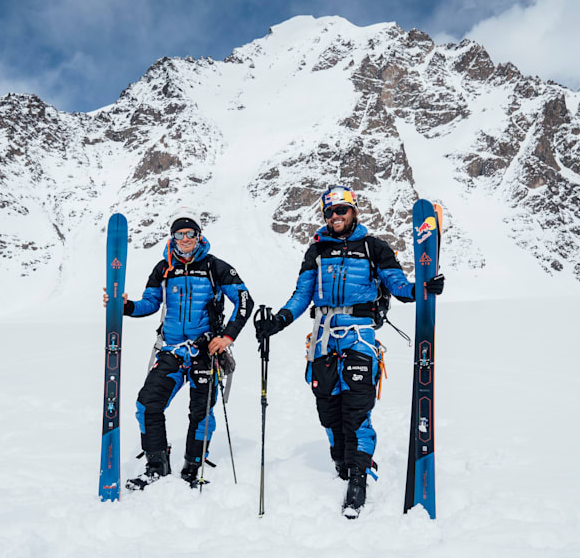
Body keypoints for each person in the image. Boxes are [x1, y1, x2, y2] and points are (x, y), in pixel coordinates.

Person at [254, 186, 444, 518]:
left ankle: (359, 475)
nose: (336, 217)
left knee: (356, 408)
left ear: (353, 212)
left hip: (359, 335)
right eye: (330, 212)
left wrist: (420, 289)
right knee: (328, 408)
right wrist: (279, 321)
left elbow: (397, 284)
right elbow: (302, 295)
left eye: (341, 211)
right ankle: (341, 459)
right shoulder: (316, 250)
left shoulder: (374, 247)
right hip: (323, 338)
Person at [103, 207, 253, 490]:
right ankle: (157, 465)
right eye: (180, 234)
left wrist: (227, 338)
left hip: (205, 353)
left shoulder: (215, 267)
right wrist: (126, 307)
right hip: (171, 351)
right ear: (172, 237)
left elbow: (245, 301)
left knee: (201, 413)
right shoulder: (163, 269)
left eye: (190, 234)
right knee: (146, 405)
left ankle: (193, 466)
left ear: (199, 236)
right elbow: (150, 304)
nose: (185, 239)